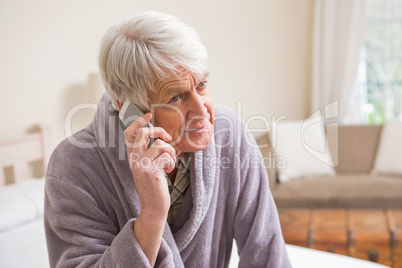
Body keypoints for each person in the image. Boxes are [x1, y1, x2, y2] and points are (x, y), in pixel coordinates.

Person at [44, 11, 291, 267]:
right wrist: (151, 216)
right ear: (127, 108)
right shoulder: (73, 167)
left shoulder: (231, 135)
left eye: (202, 84)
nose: (202, 110)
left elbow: (266, 251)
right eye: (176, 97)